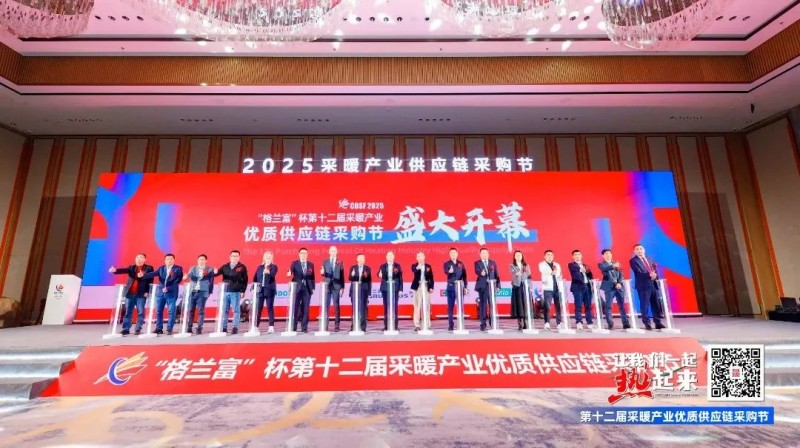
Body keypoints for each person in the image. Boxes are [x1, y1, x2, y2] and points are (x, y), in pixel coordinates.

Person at [109, 253, 155, 336]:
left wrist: (147, 291)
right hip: (130, 293)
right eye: (137, 257)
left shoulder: (149, 268)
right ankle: (126, 329)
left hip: (141, 293)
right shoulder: (132, 267)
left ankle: (138, 328)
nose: (139, 259)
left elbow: (150, 280)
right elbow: (123, 270)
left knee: (140, 312)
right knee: (128, 312)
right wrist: (115, 270)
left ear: (145, 259)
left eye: (141, 257)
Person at [142, 253, 183, 335]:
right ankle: (159, 328)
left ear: (174, 260)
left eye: (171, 259)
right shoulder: (161, 268)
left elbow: (177, 281)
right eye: (167, 259)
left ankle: (169, 328)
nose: (169, 260)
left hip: (171, 293)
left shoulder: (178, 269)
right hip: (160, 293)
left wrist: (168, 288)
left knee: (171, 311)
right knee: (158, 311)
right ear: (164, 260)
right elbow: (153, 274)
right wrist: (143, 275)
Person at [630, 244, 665, 330]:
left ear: (644, 250)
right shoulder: (633, 260)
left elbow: (654, 270)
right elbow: (638, 271)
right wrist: (650, 275)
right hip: (643, 285)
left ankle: (657, 322)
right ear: (634, 251)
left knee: (656, 304)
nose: (639, 250)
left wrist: (655, 276)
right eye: (637, 249)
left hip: (653, 284)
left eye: (641, 249)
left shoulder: (649, 259)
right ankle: (647, 323)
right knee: (645, 304)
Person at [213, 250, 249, 335]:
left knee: (236, 310)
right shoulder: (225, 266)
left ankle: (235, 327)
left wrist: (243, 290)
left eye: (236, 256)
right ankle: (224, 327)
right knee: (225, 310)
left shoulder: (242, 267)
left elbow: (245, 280)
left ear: (239, 257)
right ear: (230, 257)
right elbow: (216, 274)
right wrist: (214, 272)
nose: (234, 257)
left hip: (235, 291)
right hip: (225, 291)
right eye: (233, 256)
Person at [183, 254, 215, 335]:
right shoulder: (193, 268)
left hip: (203, 292)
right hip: (192, 291)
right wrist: (186, 276)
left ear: (206, 261)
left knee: (200, 310)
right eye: (200, 259)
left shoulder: (209, 269)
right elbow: (189, 275)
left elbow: (211, 281)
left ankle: (199, 327)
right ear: (197, 261)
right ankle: (189, 327)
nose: (201, 261)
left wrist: (210, 291)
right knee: (191, 310)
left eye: (203, 259)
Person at [287, 247, 316, 333]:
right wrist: (289, 273)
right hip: (297, 288)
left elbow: (312, 277)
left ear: (307, 255)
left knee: (306, 308)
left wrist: (312, 287)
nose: (303, 255)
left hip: (307, 288)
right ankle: (294, 326)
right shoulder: (294, 263)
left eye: (305, 253)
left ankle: (304, 327)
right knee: (296, 308)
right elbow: (290, 271)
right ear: (299, 254)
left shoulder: (310, 264)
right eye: (302, 253)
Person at [474, 247, 501, 332]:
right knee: (483, 305)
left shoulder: (492, 262)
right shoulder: (477, 263)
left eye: (486, 253)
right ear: (480, 254)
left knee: (492, 305)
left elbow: (496, 274)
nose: (484, 254)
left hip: (491, 287)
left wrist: (498, 286)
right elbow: (477, 271)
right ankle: (483, 323)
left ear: (488, 254)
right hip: (482, 287)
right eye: (483, 253)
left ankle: (492, 322)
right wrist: (481, 273)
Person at [320, 245, 345, 332]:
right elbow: (323, 273)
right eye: (332, 251)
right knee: (326, 306)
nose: (333, 252)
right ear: (329, 252)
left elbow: (342, 275)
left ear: (336, 252)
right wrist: (322, 273)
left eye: (334, 251)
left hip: (336, 286)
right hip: (327, 286)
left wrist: (342, 287)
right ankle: (325, 325)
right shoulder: (325, 262)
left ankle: (337, 325)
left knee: (336, 306)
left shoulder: (340, 262)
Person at [568, 249, 594, 331]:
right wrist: (581, 270)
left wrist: (587, 271)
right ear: (573, 256)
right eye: (575, 255)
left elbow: (590, 275)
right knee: (578, 305)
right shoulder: (571, 265)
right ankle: (579, 322)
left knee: (588, 306)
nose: (577, 256)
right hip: (578, 287)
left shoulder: (585, 265)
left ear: (581, 256)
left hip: (587, 287)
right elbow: (575, 273)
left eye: (578, 254)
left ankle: (589, 322)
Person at [443, 247, 468, 332]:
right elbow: (446, 271)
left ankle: (460, 324)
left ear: (457, 254)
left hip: (460, 287)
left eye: (454, 253)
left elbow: (465, 276)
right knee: (450, 307)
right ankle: (451, 325)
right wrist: (449, 271)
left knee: (460, 306)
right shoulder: (447, 264)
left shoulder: (461, 264)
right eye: (451, 253)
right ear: (449, 254)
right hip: (451, 287)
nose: (453, 254)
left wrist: (465, 287)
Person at [253, 251, 278, 333]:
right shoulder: (260, 267)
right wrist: (253, 288)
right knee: (258, 309)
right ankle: (256, 326)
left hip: (269, 290)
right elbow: (255, 278)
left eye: (269, 256)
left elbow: (273, 275)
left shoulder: (274, 267)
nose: (268, 257)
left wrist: (268, 272)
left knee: (270, 308)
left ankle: (271, 327)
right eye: (266, 256)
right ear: (264, 257)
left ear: (272, 257)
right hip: (260, 290)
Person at [378, 251, 403, 331]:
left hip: (395, 288)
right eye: (388, 255)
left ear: (393, 257)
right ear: (386, 257)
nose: (390, 257)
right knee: (386, 307)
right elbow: (379, 274)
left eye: (391, 255)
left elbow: (400, 278)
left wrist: (400, 289)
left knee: (395, 307)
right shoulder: (383, 265)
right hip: (385, 289)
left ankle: (395, 326)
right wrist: (379, 274)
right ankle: (386, 326)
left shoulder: (397, 266)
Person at [538, 250, 563, 331]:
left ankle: (559, 323)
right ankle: (547, 322)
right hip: (548, 288)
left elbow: (559, 274)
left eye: (551, 255)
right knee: (547, 307)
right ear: (545, 256)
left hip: (557, 288)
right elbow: (545, 272)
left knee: (558, 306)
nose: (550, 257)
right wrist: (552, 272)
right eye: (548, 255)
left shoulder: (557, 265)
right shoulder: (542, 264)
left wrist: (555, 273)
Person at [410, 251, 434, 332]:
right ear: (416, 258)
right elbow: (413, 270)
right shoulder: (414, 266)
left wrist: (431, 287)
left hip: (426, 286)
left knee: (427, 306)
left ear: (424, 257)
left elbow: (431, 278)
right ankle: (417, 325)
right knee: (417, 306)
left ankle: (427, 324)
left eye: (421, 256)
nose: (420, 258)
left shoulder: (428, 266)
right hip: (418, 287)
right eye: (418, 256)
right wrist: (418, 267)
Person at [348, 254, 372, 332]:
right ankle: (354, 326)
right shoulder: (353, 268)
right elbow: (350, 278)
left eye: (363, 258)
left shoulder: (367, 268)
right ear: (357, 259)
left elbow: (369, 280)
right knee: (354, 308)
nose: (361, 260)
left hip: (364, 290)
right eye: (360, 258)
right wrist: (352, 275)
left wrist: (369, 292)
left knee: (363, 309)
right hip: (354, 290)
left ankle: (363, 326)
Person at [509, 250, 531, 331]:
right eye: (517, 255)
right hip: (517, 286)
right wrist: (516, 274)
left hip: (525, 286)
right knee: (519, 304)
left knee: (525, 304)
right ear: (514, 257)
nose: (518, 256)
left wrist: (530, 286)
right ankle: (520, 322)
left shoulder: (526, 265)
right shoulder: (512, 265)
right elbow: (512, 274)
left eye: (520, 255)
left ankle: (525, 321)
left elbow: (529, 276)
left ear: (522, 256)